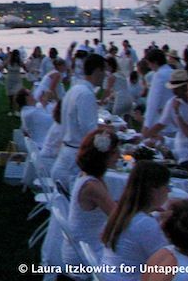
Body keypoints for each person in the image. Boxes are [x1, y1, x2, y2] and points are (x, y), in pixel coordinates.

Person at [100, 161, 171, 280]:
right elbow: (167, 264)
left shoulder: (121, 214)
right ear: (154, 191)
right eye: (167, 186)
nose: (168, 191)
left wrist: (161, 216)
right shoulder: (145, 224)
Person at [62, 128, 119, 274]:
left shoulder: (87, 176)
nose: (119, 155)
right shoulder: (92, 186)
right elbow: (119, 218)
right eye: (114, 152)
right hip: (85, 254)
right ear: (102, 157)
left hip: (82, 246)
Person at [51, 53, 106, 190]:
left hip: (66, 154)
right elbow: (90, 131)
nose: (105, 75)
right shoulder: (86, 94)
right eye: (104, 70)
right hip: (74, 162)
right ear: (97, 71)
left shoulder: (74, 89)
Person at [143, 49, 174, 136]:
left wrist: (146, 125)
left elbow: (153, 102)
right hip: (173, 120)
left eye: (149, 63)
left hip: (160, 121)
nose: (149, 67)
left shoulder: (159, 75)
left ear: (155, 62)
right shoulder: (172, 72)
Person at [4, 49, 24, 116]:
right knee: (10, 96)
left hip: (17, 79)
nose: (16, 56)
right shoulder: (9, 61)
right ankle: (11, 110)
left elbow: (26, 67)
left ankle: (17, 110)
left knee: (17, 95)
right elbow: (2, 66)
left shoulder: (19, 61)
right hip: (9, 79)